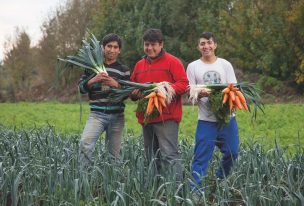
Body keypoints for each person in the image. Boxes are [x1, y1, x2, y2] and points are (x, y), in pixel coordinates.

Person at [130, 28, 188, 181]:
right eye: (146, 44)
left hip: (167, 118)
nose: (149, 48)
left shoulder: (173, 62)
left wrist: (165, 89)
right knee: (151, 157)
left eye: (153, 44)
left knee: (169, 155)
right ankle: (157, 192)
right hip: (147, 117)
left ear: (161, 44)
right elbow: (132, 89)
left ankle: (177, 193)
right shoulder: (139, 65)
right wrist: (133, 94)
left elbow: (183, 84)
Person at [186, 32, 239, 191]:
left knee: (232, 153)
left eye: (209, 43)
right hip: (206, 120)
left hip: (227, 118)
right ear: (198, 47)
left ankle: (220, 179)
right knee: (200, 158)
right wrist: (198, 94)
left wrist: (224, 97)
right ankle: (196, 192)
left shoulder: (225, 64)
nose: (206, 46)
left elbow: (233, 89)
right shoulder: (193, 66)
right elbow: (190, 94)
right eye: (202, 43)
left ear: (215, 45)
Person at [78, 33, 130, 167]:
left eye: (115, 47)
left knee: (114, 156)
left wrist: (116, 84)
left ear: (119, 50)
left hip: (117, 116)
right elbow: (81, 88)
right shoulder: (91, 68)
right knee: (85, 144)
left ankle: (112, 184)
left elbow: (128, 94)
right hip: (97, 115)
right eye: (109, 46)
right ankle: (86, 179)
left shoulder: (123, 70)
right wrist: (93, 80)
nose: (112, 50)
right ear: (102, 48)